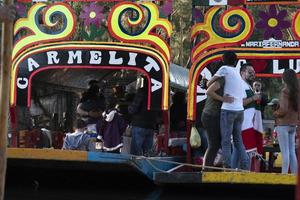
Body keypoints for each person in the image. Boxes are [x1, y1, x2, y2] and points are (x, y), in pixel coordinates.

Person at [207, 51, 249, 170]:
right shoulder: (237, 72)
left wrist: (222, 97)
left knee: (225, 141)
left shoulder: (224, 69)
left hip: (228, 110)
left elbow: (209, 83)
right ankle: (245, 165)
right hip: (240, 110)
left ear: (223, 60)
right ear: (236, 61)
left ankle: (228, 166)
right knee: (238, 140)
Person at [231, 63, 263, 171]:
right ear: (242, 73)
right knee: (247, 150)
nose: (252, 75)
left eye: (253, 73)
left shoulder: (247, 85)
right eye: (250, 72)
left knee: (237, 150)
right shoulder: (240, 84)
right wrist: (253, 98)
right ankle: (244, 174)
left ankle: (232, 171)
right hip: (243, 125)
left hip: (246, 124)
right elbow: (240, 102)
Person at [201, 61, 229, 171]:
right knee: (214, 144)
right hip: (210, 115)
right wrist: (223, 99)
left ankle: (210, 167)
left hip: (214, 115)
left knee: (218, 143)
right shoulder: (221, 80)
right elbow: (209, 91)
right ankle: (206, 169)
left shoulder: (226, 81)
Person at [273, 69, 299, 174]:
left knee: (285, 153)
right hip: (293, 124)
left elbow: (283, 109)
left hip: (283, 124)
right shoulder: (297, 91)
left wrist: (275, 113)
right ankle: (294, 177)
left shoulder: (285, 91)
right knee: (292, 152)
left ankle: (284, 176)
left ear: (285, 78)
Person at [128, 75, 158, 156]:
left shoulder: (142, 91)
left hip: (139, 125)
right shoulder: (157, 93)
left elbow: (134, 108)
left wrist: (129, 108)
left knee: (135, 153)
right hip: (151, 125)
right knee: (147, 153)